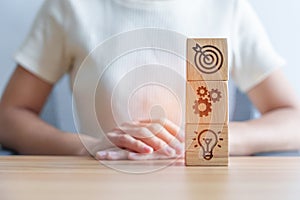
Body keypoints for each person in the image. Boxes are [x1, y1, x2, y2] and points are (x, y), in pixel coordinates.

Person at [0, 0, 299, 160]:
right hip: (100, 188)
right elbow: (9, 117)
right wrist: (87, 147)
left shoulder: (228, 7)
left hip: (206, 189)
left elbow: (293, 119)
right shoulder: (70, 7)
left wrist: (212, 141)